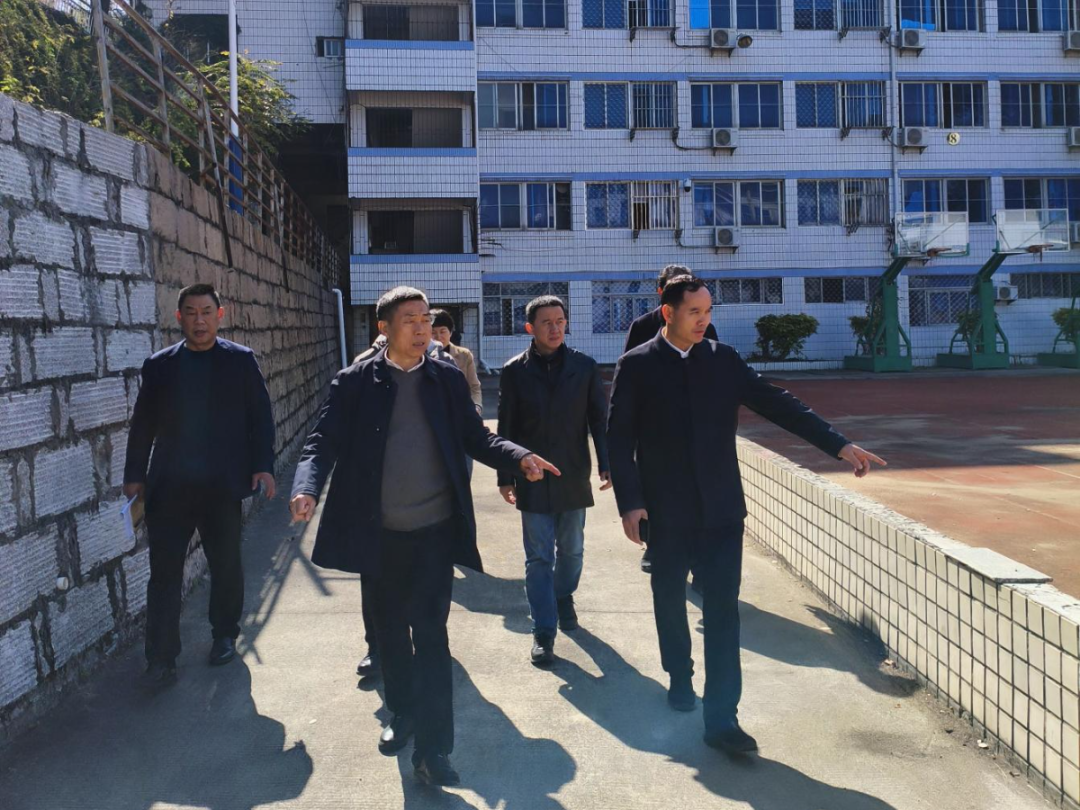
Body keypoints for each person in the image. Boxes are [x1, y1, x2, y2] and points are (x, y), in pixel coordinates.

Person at [289, 286, 559, 787]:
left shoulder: (446, 378)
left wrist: (518, 456)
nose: (421, 329)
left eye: (425, 319)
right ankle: (404, 712)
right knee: (391, 635)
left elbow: (476, 436)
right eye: (409, 320)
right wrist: (306, 487)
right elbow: (322, 440)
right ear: (384, 329)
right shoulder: (355, 382)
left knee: (432, 637)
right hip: (380, 536)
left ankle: (434, 751)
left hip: (434, 533)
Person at [606, 275, 885, 755]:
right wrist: (630, 503)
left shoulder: (724, 360)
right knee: (669, 599)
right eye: (694, 312)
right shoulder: (637, 366)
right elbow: (618, 437)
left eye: (708, 311)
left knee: (722, 613)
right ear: (668, 313)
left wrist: (838, 445)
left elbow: (779, 405)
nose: (704, 320)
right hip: (666, 512)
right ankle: (679, 675)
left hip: (721, 511)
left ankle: (722, 721)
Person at [124, 283, 276, 685]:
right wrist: (134, 475)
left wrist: (263, 466)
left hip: (221, 486)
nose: (199, 320)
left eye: (207, 312)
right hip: (169, 487)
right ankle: (161, 659)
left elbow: (260, 417)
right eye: (191, 313)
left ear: (219, 315)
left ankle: (224, 634)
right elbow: (142, 425)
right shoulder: (159, 366)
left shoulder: (240, 361)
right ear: (179, 318)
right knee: (164, 574)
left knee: (226, 564)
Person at [496, 295, 610, 666]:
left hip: (572, 473)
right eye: (546, 322)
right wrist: (505, 475)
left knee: (572, 550)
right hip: (532, 475)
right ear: (530, 328)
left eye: (560, 321)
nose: (555, 328)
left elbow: (598, 420)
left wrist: (607, 462)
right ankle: (543, 631)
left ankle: (563, 596)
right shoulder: (514, 371)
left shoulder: (584, 366)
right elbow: (506, 426)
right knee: (538, 558)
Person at [623, 264, 718, 577]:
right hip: (653, 428)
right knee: (655, 491)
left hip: (694, 426)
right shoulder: (642, 326)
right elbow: (629, 375)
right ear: (661, 293)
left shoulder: (704, 329)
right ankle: (654, 547)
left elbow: (714, 371)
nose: (701, 318)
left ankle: (700, 563)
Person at [430, 309, 482, 415]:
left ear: (450, 332)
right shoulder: (421, 356)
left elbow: (474, 386)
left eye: (443, 331)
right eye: (433, 332)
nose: (438, 337)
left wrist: (476, 407)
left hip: (459, 412)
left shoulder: (464, 355)